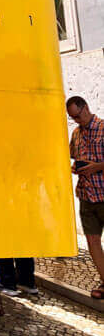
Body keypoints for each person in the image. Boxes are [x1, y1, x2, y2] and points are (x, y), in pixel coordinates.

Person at [67, 95, 104, 300]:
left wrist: (97, 167)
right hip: (86, 195)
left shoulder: (103, 128)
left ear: (86, 107)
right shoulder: (76, 134)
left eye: (78, 116)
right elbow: (75, 159)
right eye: (73, 118)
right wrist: (77, 167)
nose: (77, 120)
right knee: (92, 242)